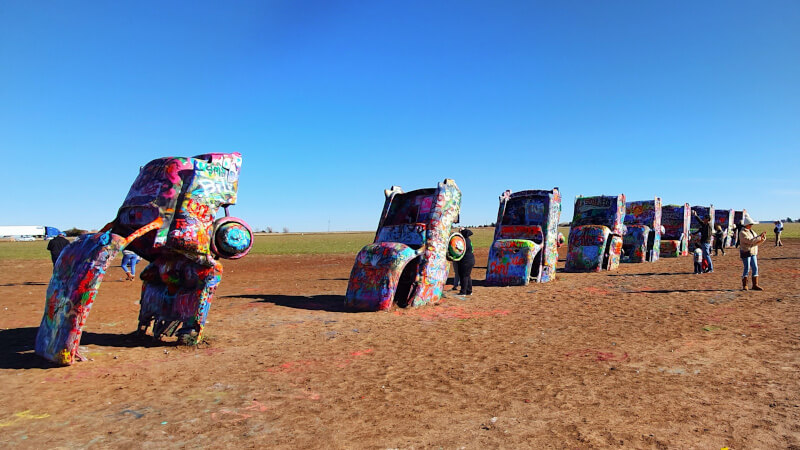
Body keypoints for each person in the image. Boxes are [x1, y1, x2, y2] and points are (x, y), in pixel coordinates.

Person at [739, 214, 767, 291]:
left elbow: (755, 241)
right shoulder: (742, 233)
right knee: (747, 268)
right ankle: (745, 285)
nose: (751, 225)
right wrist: (759, 237)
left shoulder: (752, 232)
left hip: (753, 252)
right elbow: (750, 241)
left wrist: (762, 239)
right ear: (747, 224)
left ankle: (755, 284)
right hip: (746, 252)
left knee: (755, 268)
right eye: (750, 224)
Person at [457, 228, 475, 296]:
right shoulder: (468, 240)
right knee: (467, 275)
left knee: (463, 276)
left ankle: (463, 292)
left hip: (465, 261)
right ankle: (469, 291)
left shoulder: (463, 241)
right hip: (470, 260)